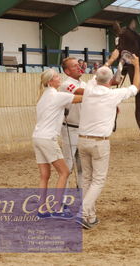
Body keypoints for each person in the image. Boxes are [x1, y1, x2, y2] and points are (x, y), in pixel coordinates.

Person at [75, 49, 140, 229]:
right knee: (98, 180)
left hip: (82, 140)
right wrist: (137, 65)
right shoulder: (113, 95)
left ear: (96, 79)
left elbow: (101, 73)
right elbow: (136, 87)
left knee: (87, 178)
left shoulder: (89, 88)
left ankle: (90, 216)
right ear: (111, 81)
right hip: (99, 142)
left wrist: (111, 60)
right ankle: (82, 211)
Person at [32, 68, 82, 219]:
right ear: (50, 81)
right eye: (56, 76)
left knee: (44, 175)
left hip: (37, 137)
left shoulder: (43, 97)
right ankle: (58, 208)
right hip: (48, 139)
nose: (59, 78)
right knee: (64, 172)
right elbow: (80, 98)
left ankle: (42, 209)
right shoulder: (57, 95)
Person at [60, 57, 86, 187]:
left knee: (83, 165)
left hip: (82, 129)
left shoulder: (84, 83)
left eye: (79, 64)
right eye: (75, 66)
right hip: (70, 129)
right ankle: (63, 198)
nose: (79, 66)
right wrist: (103, 92)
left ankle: (80, 191)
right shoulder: (66, 84)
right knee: (68, 165)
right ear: (67, 71)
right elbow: (80, 93)